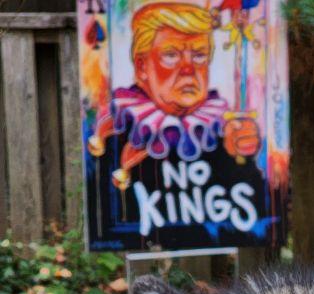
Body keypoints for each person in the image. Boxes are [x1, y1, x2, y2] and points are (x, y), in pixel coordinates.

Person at [87, 0, 260, 190]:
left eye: (199, 55)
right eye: (171, 55)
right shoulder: (122, 127)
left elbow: (257, 192)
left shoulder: (220, 126)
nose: (188, 69)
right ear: (142, 66)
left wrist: (240, 146)